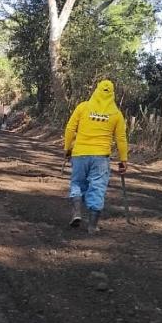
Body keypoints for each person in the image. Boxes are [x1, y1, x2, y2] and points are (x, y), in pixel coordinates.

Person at [63, 79, 128, 234]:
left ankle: (77, 213)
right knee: (97, 187)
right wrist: (123, 159)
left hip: (79, 154)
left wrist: (67, 148)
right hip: (101, 157)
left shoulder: (83, 107)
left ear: (96, 90)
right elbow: (121, 139)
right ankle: (92, 226)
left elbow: (70, 128)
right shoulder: (116, 114)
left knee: (77, 183)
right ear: (112, 94)